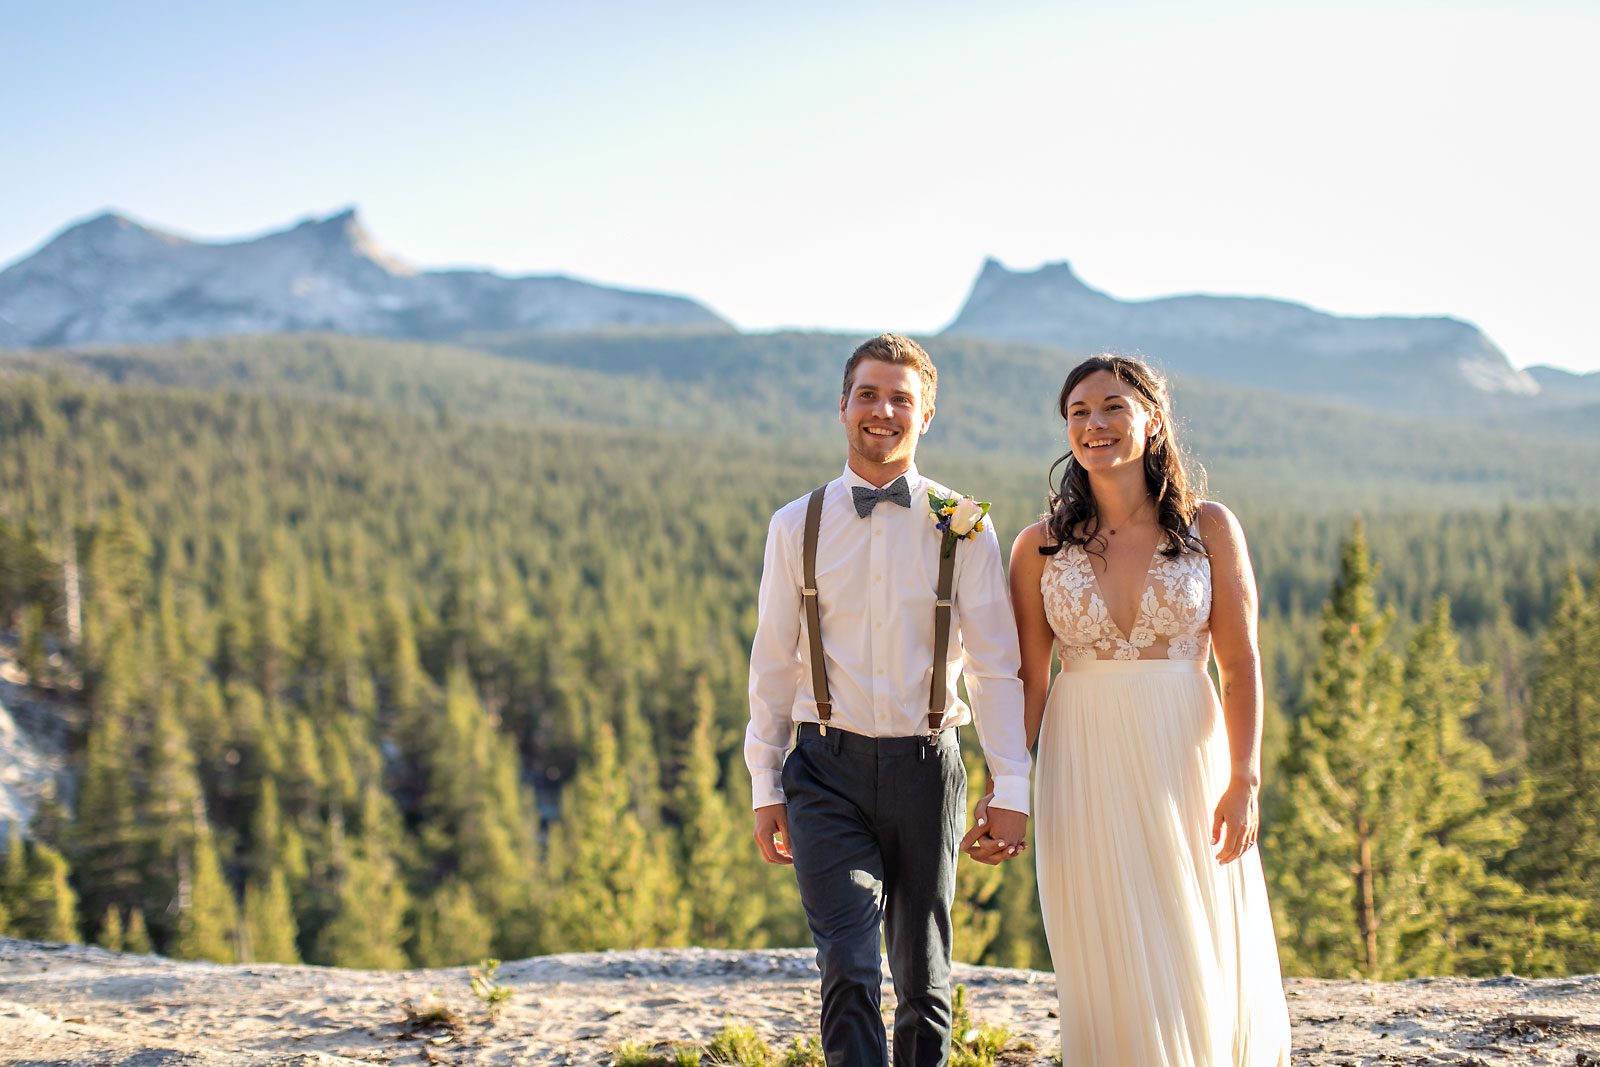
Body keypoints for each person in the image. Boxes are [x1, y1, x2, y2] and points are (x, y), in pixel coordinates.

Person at [745, 333, 1033, 1067]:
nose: (883, 410)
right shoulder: (795, 524)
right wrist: (764, 780)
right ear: (843, 406)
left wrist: (1013, 784)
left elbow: (996, 668)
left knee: (924, 978)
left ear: (927, 414)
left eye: (902, 398)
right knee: (847, 963)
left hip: (926, 767)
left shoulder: (963, 523)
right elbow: (774, 663)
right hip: (824, 768)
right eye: (868, 394)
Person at [1005, 354, 1291, 1064]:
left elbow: (1242, 663)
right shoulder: (1037, 546)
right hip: (1084, 757)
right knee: (1109, 938)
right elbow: (1030, 681)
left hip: (1185, 753)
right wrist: (1005, 786)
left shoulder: (1210, 529)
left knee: (1188, 928)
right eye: (1078, 411)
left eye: (1112, 406)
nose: (1094, 423)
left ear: (1153, 419)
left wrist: (1245, 776)